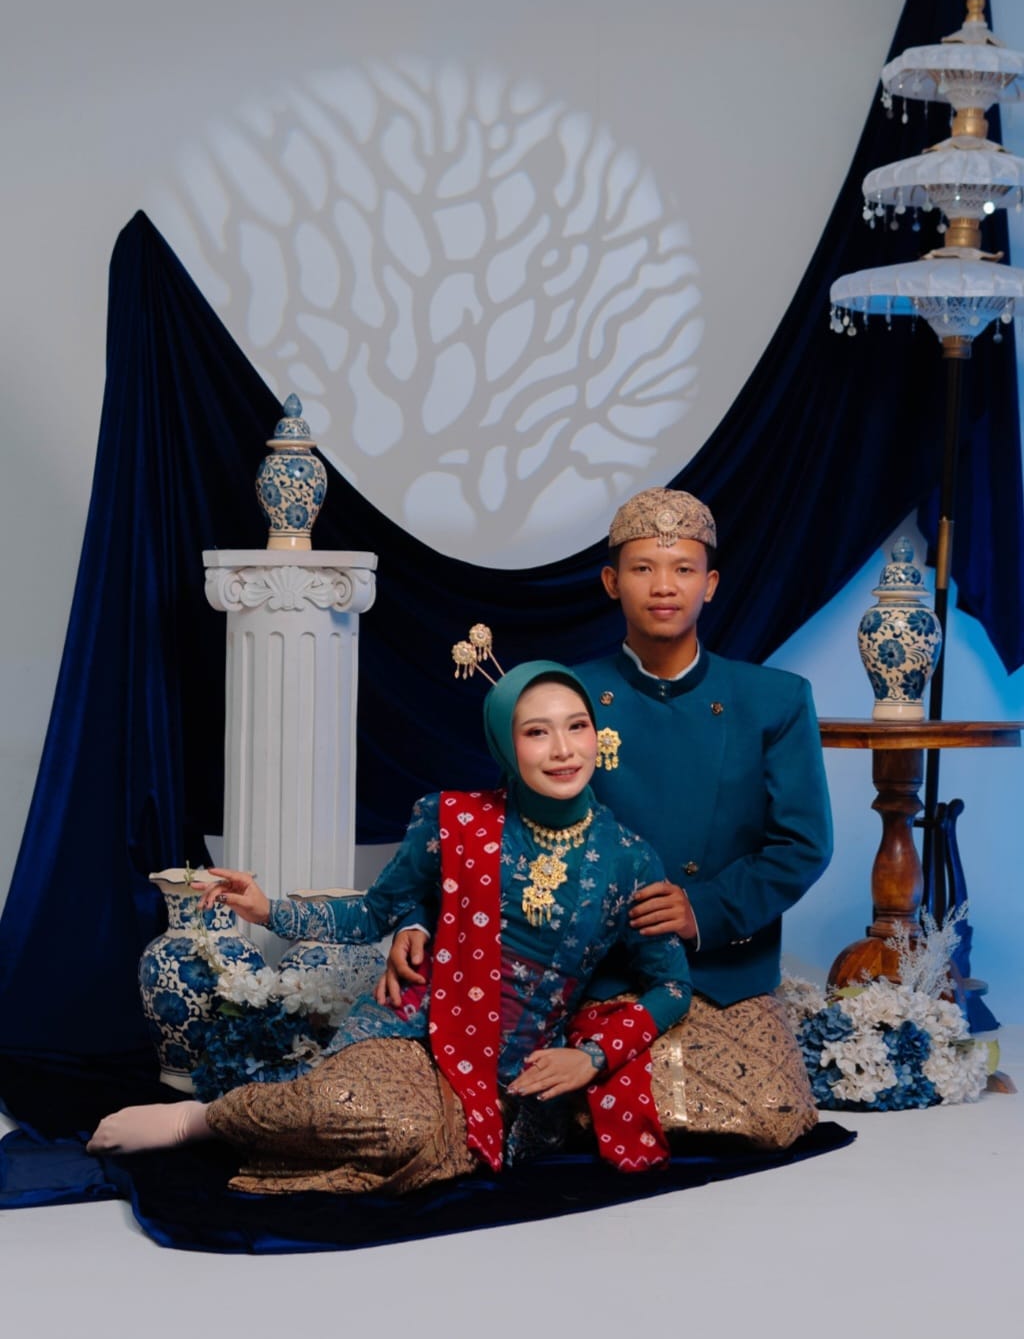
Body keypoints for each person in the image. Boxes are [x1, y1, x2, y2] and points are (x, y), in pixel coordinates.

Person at [88, 662, 691, 1192]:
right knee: (349, 1107)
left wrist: (591, 1057)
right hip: (411, 1024)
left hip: (514, 1074)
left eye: (576, 726)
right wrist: (270, 910)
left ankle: (257, 1115)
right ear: (506, 745)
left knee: (408, 1138)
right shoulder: (453, 819)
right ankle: (198, 1120)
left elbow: (671, 986)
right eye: (537, 732)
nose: (563, 749)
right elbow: (374, 912)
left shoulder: (630, 860)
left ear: (598, 735)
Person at [382, 490, 832, 1145]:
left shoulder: (775, 698)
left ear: (710, 584)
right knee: (548, 1107)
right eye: (643, 567)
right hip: (590, 971)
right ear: (611, 582)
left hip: (723, 968)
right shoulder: (568, 694)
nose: (663, 585)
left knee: (767, 1118)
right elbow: (495, 829)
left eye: (683, 569)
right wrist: (416, 916)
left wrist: (702, 909)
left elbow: (802, 843)